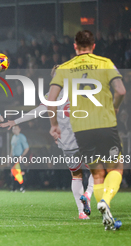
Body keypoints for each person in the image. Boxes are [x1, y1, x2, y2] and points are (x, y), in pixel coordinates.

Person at [48, 30, 126, 230]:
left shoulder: (64, 68)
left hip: (81, 129)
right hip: (105, 123)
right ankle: (105, 201)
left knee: (97, 174)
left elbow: (51, 100)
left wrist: (54, 125)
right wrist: (115, 107)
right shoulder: (105, 62)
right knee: (116, 167)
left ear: (75, 46)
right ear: (93, 45)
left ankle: (104, 214)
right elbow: (121, 91)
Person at [0, 66, 94, 220]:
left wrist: (15, 120)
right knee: (96, 171)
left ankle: (81, 212)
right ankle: (88, 194)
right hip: (84, 137)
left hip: (67, 142)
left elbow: (36, 112)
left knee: (76, 175)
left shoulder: (51, 96)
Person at [10, 125, 29, 193]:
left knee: (21, 173)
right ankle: (14, 188)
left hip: (19, 157)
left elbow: (26, 148)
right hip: (14, 157)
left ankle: (22, 187)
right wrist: (10, 156)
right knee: (13, 173)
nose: (14, 130)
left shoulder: (21, 137)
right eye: (13, 129)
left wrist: (22, 156)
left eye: (15, 129)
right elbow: (12, 148)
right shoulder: (13, 137)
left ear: (19, 129)